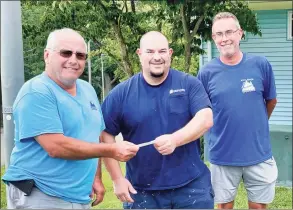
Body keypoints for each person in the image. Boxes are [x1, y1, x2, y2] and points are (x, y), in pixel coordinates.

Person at [2, 28, 139, 209]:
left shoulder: (87, 89)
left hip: (78, 196)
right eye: (66, 53)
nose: (73, 60)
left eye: (80, 55)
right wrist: (112, 149)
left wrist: (96, 178)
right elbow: (56, 146)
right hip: (41, 194)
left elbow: (94, 135)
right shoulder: (37, 91)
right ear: (47, 55)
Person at [101, 31, 214, 209]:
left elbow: (205, 118)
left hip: (192, 187)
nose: (157, 57)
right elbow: (105, 133)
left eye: (162, 51)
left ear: (170, 54)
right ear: (139, 54)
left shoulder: (189, 84)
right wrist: (116, 179)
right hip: (142, 192)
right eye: (150, 52)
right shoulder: (121, 94)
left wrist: (175, 140)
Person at [197, 12, 278, 209]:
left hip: (258, 153)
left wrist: (255, 124)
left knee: (259, 206)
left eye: (229, 32)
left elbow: (271, 101)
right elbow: (201, 113)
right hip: (222, 155)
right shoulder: (206, 73)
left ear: (240, 33)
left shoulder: (260, 65)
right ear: (214, 38)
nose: (224, 38)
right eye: (219, 34)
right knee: (224, 206)